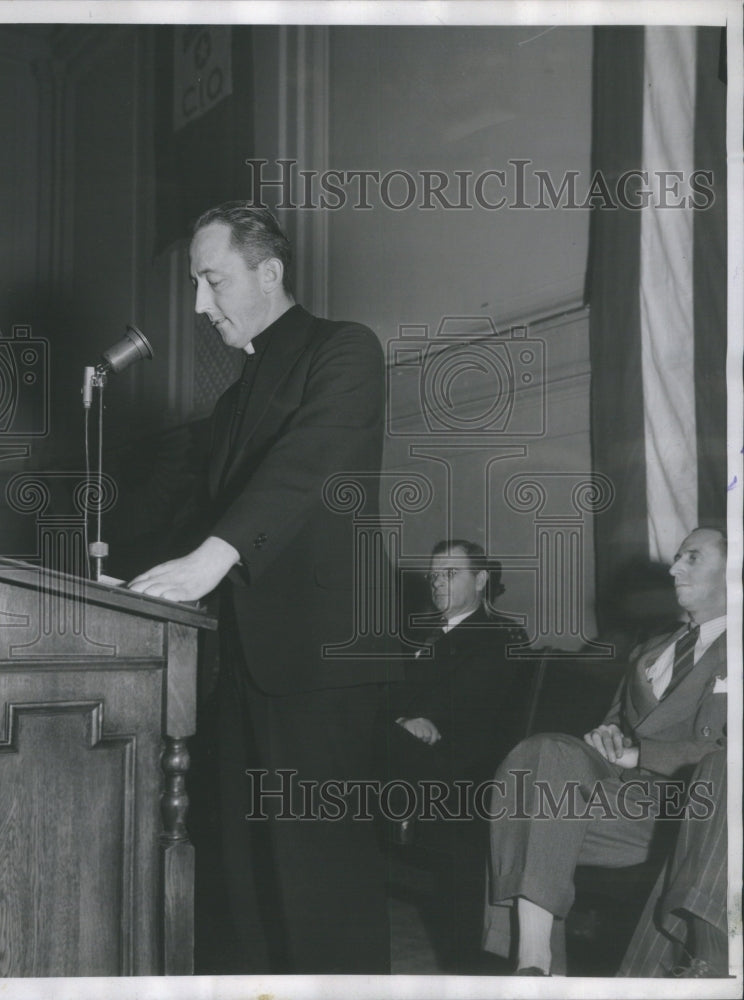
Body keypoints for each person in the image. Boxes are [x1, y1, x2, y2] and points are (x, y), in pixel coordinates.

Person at [129, 202, 396, 973]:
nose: (198, 306)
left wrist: (211, 557)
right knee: (242, 881)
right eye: (195, 285)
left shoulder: (344, 351)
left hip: (319, 662)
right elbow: (186, 512)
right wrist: (118, 569)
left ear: (268, 272)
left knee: (321, 882)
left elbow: (308, 462)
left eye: (211, 281)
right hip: (238, 664)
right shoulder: (230, 402)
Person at [481, 527, 727, 975]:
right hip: (619, 804)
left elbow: (731, 753)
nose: (674, 569)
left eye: (691, 558)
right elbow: (617, 722)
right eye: (676, 557)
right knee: (541, 755)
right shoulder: (651, 648)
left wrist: (643, 754)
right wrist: (607, 738)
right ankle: (534, 963)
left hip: (692, 814)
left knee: (531, 809)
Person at [388, 539, 530, 969]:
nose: (436, 583)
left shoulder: (500, 636)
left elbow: (464, 705)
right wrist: (397, 721)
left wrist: (408, 719)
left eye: (450, 573)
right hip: (412, 751)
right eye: (433, 575)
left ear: (481, 579)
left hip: (465, 768)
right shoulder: (418, 633)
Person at [618, 745, 728, 978]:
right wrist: (608, 742)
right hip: (646, 794)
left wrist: (646, 754)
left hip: (707, 788)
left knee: (726, 766)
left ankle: (712, 961)